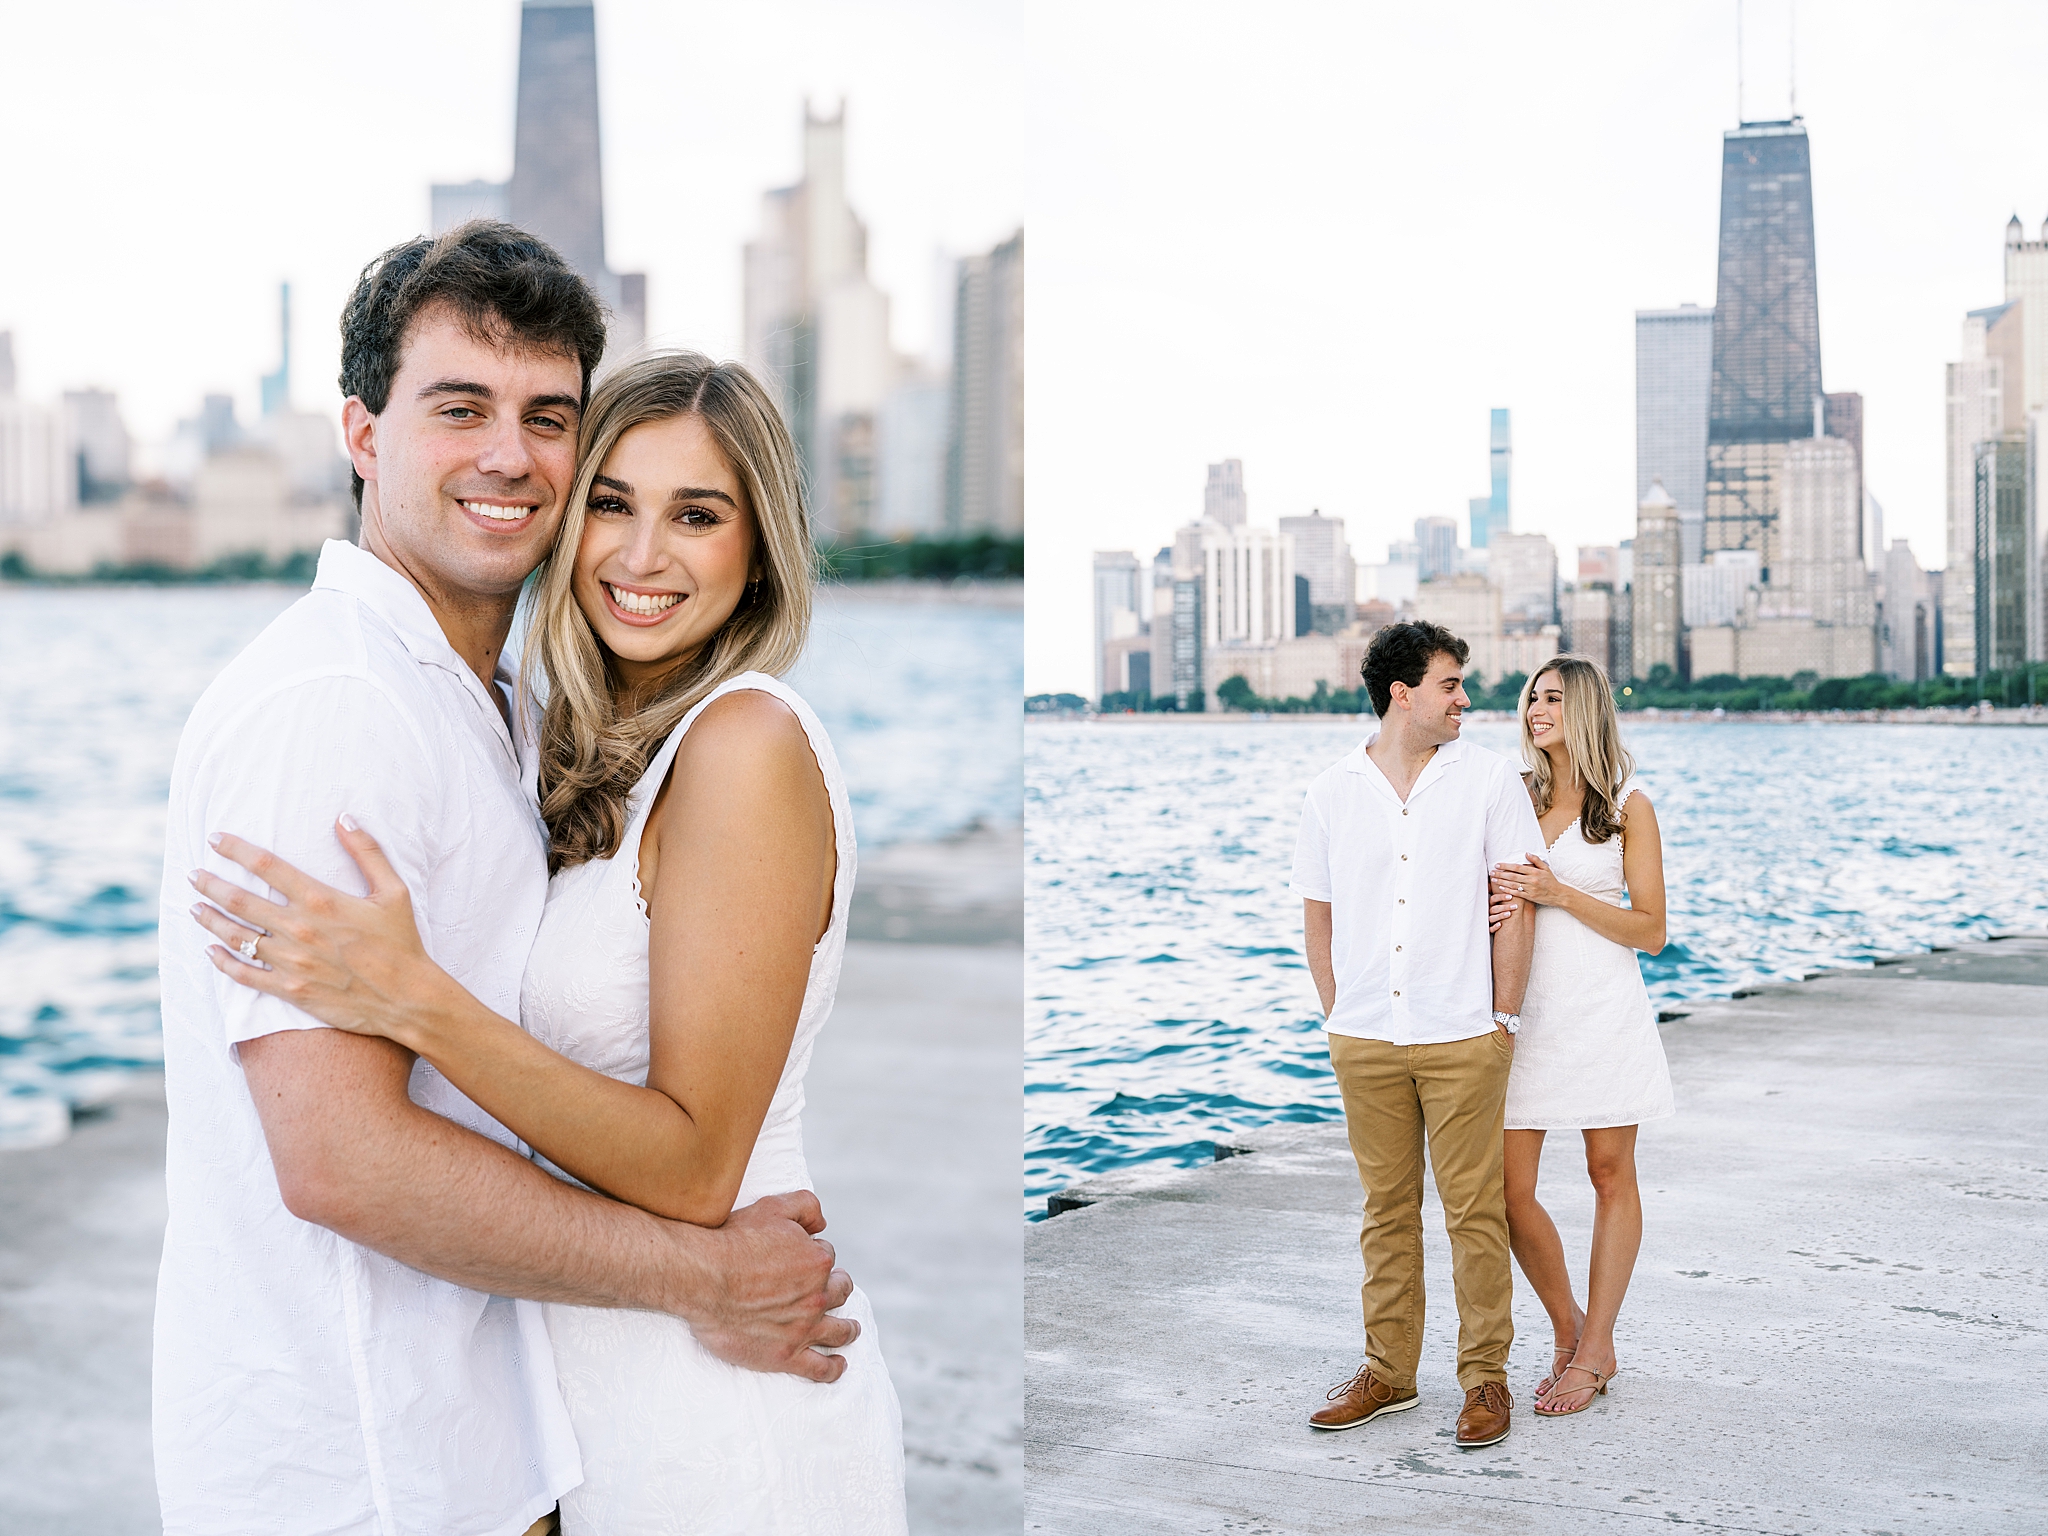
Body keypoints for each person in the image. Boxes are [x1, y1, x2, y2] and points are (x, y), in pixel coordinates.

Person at [159, 225, 860, 1536]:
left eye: (547, 417)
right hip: (369, 1472)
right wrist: (703, 1278)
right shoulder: (337, 705)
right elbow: (343, 1162)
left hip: (521, 1441)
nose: (507, 456)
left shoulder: (504, 714)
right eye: (458, 408)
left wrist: (423, 1005)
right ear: (362, 434)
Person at [1291, 620, 1540, 1449]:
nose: (1465, 699)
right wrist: (1339, 1013)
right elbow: (1318, 918)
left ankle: (1485, 1379)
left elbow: (1517, 905)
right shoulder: (1330, 792)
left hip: (1464, 1031)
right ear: (1402, 694)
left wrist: (1504, 1017)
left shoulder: (1490, 779)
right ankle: (1388, 1373)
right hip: (1365, 1036)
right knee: (1386, 1213)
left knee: (1476, 1214)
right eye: (1450, 684)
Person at [1487, 654, 1674, 1418]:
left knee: (1609, 1173)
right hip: (1522, 1011)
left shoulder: (1629, 805)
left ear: (1587, 707)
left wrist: (1559, 893)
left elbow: (1652, 931)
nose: (1536, 709)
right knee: (1506, 1192)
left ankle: (1597, 1348)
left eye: (1554, 698)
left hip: (1602, 1008)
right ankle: (1569, 1327)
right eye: (1532, 697)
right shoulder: (1511, 796)